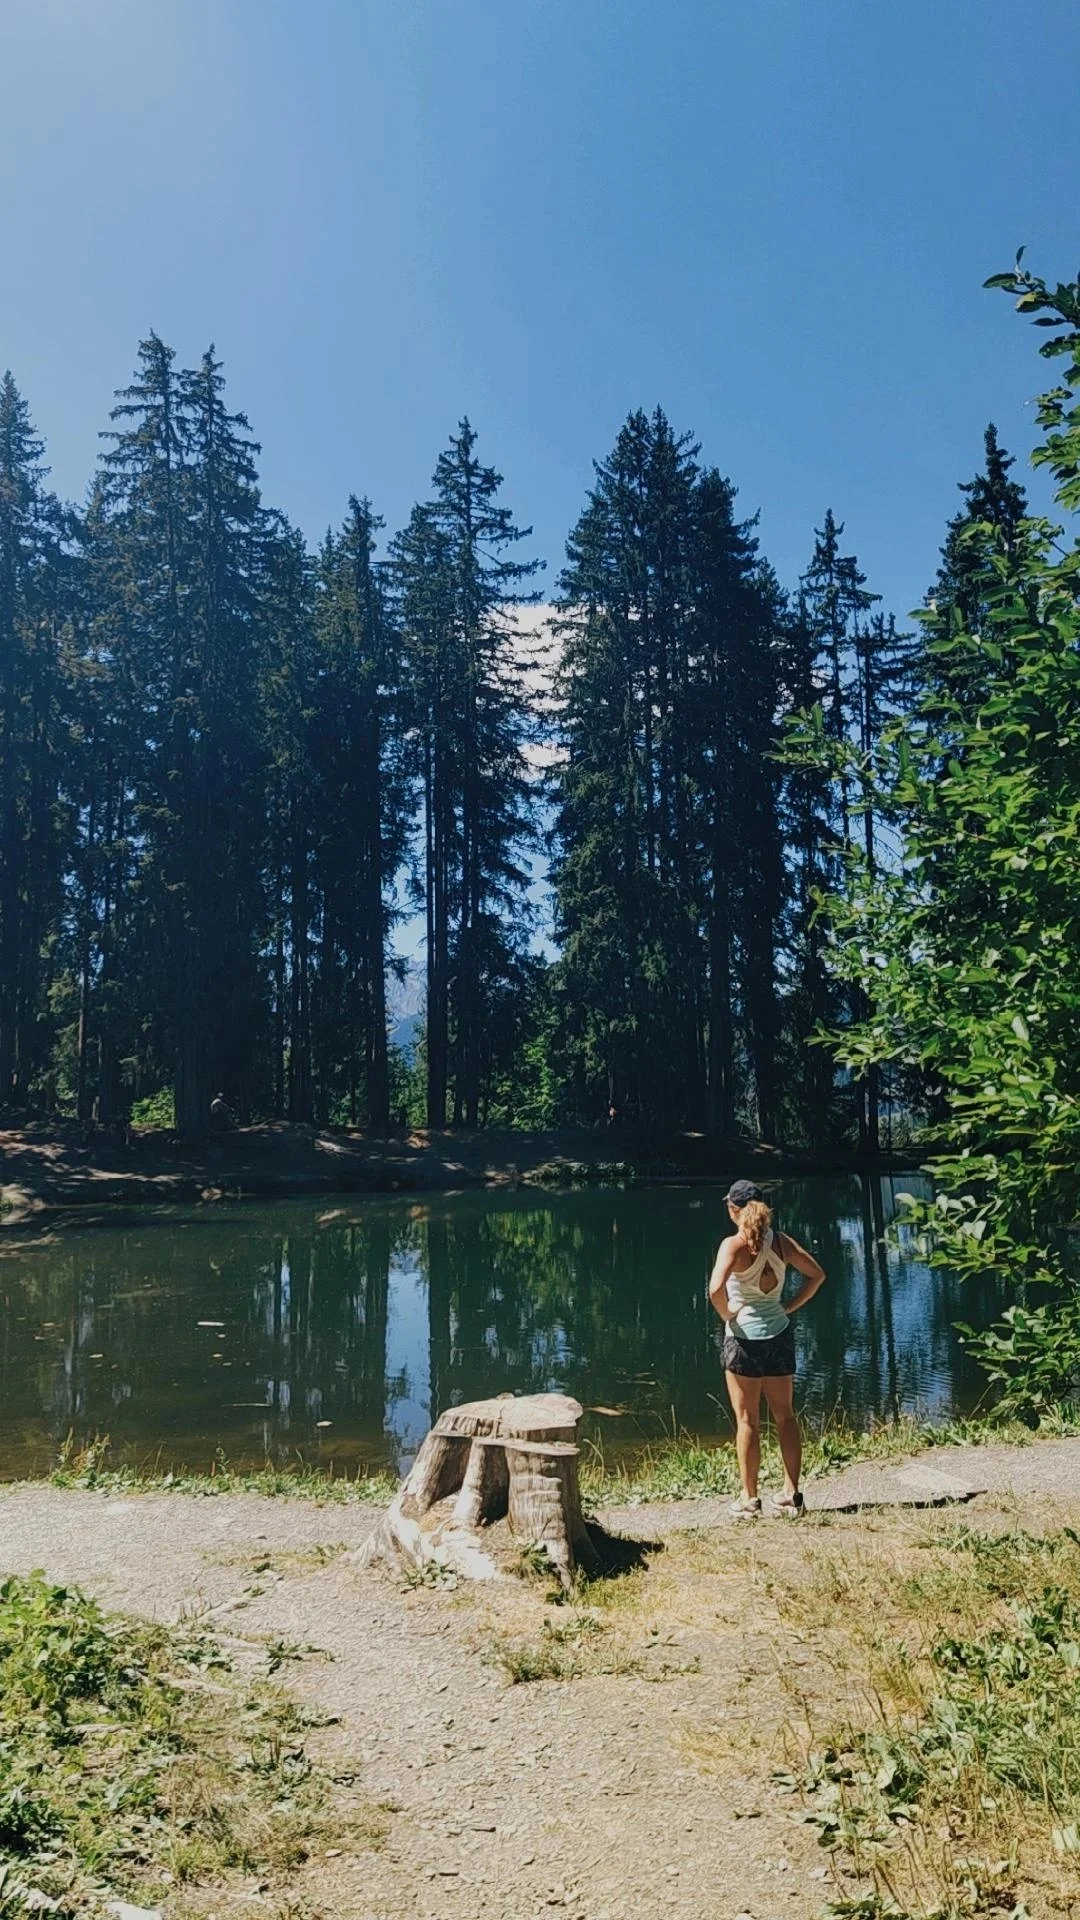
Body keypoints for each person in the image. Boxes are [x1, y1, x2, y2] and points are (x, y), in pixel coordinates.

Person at [708, 1178, 826, 1519]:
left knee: (747, 1421)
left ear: (734, 1210)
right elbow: (817, 1275)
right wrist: (788, 1307)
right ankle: (791, 1493)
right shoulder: (783, 1243)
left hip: (743, 1340)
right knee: (785, 1415)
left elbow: (715, 1290)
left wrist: (728, 1313)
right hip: (779, 1335)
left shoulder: (733, 1245)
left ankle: (749, 1499)